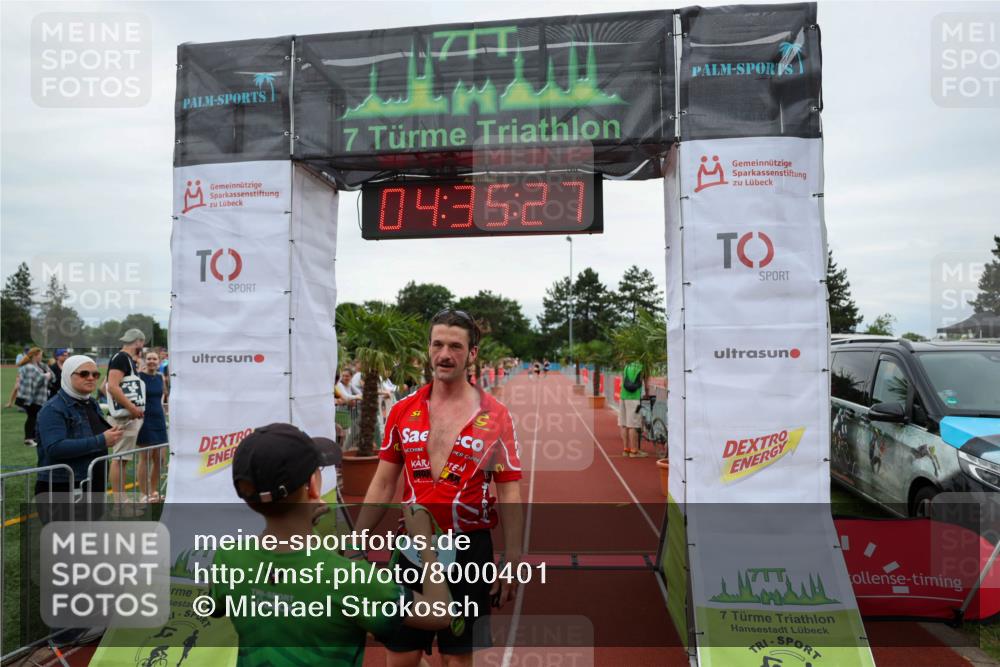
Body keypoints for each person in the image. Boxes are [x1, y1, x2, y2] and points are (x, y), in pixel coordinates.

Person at [356, 309, 524, 667]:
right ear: (429, 348)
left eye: (455, 346)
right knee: (401, 656)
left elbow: (509, 491)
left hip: (470, 551)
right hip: (411, 550)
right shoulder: (402, 410)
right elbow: (384, 482)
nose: (445, 354)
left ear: (472, 354)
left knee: (457, 660)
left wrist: (512, 560)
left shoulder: (497, 416)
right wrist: (356, 543)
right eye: (438, 344)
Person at [208, 423, 451, 666]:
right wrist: (423, 540)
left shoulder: (228, 559)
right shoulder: (351, 579)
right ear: (313, 484)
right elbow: (440, 614)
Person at [35, 354, 124, 521]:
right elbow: (54, 447)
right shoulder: (53, 409)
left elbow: (91, 433)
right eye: (84, 374)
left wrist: (112, 433)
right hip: (62, 488)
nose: (91, 378)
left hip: (92, 484)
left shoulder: (91, 403)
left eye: (95, 374)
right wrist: (101, 440)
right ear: (68, 375)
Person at [106, 329, 146, 505]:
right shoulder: (121, 358)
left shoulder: (125, 359)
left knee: (123, 459)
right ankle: (119, 498)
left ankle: (121, 497)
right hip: (124, 417)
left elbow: (106, 386)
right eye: (142, 343)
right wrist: (132, 408)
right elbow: (112, 387)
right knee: (119, 458)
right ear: (138, 342)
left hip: (126, 416)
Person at [137, 350, 168, 503]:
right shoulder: (139, 377)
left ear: (159, 361)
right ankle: (144, 493)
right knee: (146, 457)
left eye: (154, 359)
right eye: (149, 358)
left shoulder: (161, 377)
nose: (151, 361)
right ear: (145, 360)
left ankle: (154, 491)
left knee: (159, 459)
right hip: (145, 420)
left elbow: (163, 396)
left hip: (159, 419)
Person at [16, 347, 53, 446]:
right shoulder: (29, 367)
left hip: (38, 397)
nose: (41, 357)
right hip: (31, 398)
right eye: (40, 355)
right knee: (32, 417)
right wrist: (47, 375)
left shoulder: (39, 365)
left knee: (35, 417)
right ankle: (28, 439)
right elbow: (37, 380)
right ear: (35, 355)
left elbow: (51, 376)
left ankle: (33, 437)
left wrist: (48, 374)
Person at [618, 359, 647, 458]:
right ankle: (634, 451)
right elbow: (644, 382)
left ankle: (626, 449)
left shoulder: (627, 366)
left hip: (623, 397)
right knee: (633, 425)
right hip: (633, 398)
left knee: (623, 424)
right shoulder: (640, 367)